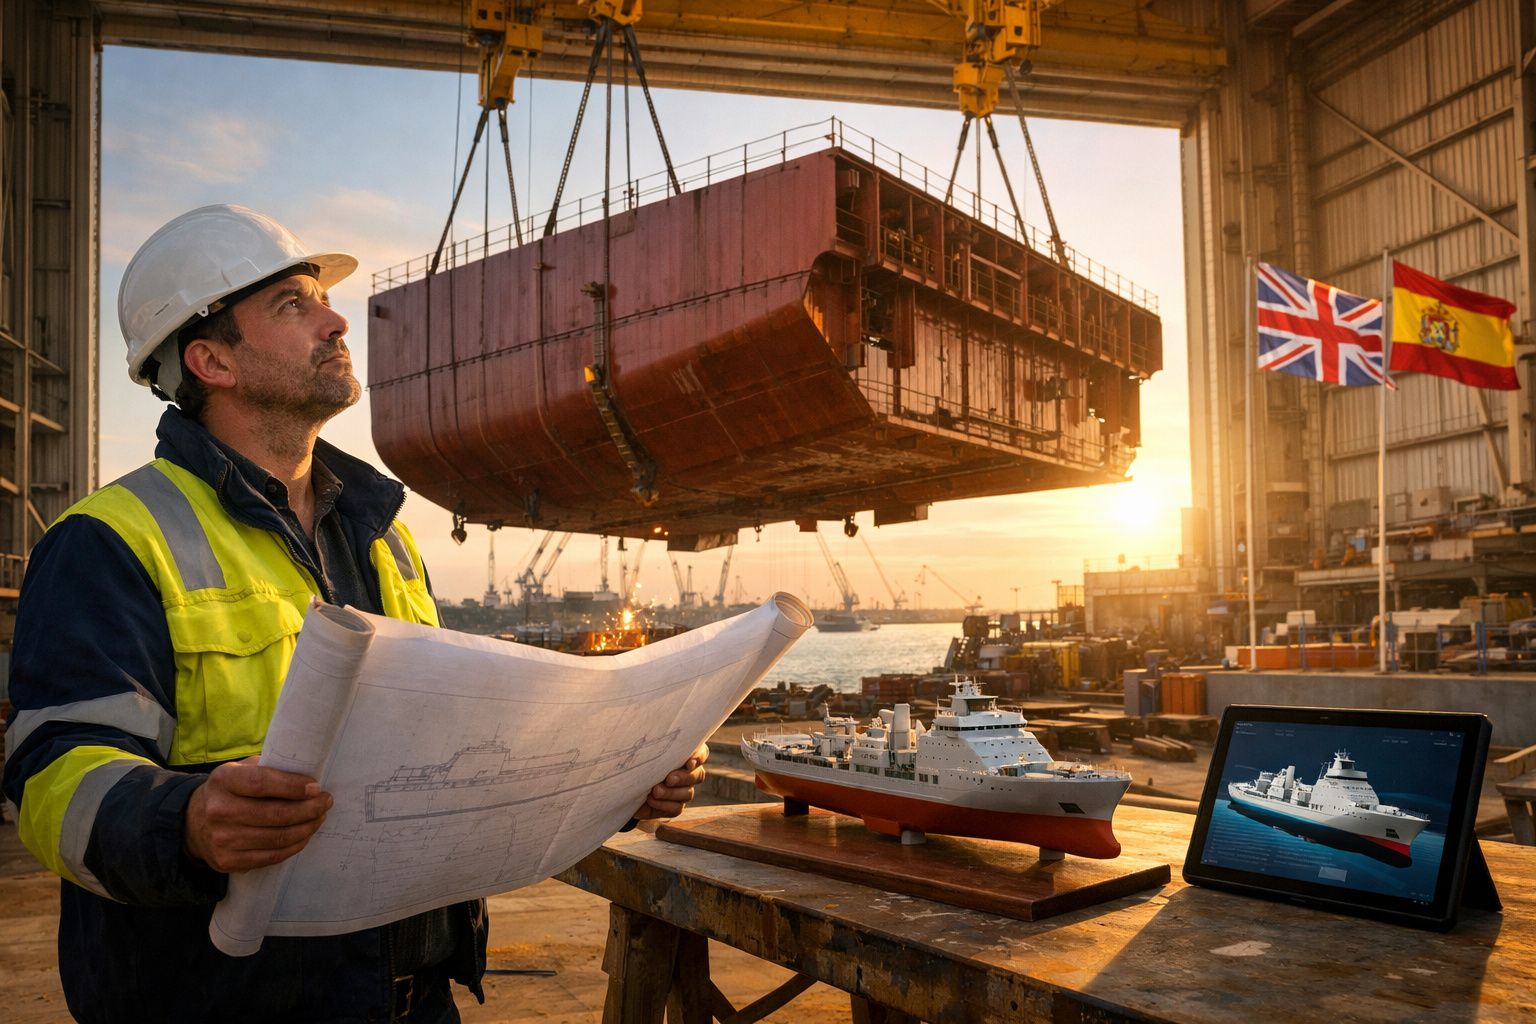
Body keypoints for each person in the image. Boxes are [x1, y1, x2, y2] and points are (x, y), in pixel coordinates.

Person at [0, 205, 708, 1024]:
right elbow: (52, 778)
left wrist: (618, 780)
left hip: (412, 997)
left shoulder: (385, 540)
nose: (338, 320)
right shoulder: (111, 540)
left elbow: (458, 752)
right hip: (222, 1004)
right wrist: (186, 821)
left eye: (323, 300)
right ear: (211, 359)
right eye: (293, 306)